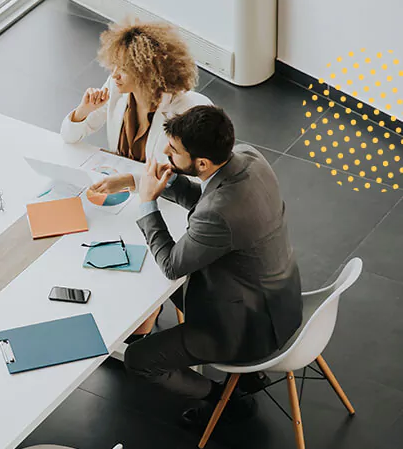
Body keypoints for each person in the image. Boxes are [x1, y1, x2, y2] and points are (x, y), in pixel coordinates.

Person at [124, 105, 303, 426]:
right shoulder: (249, 157)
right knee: (164, 289)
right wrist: (163, 183)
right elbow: (208, 198)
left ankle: (224, 399)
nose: (166, 150)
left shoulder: (219, 213)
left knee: (139, 359)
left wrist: (147, 203)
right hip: (280, 300)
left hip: (246, 330)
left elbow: (170, 264)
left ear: (202, 163)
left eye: (174, 150)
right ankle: (242, 382)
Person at [62, 21, 211, 193]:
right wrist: (84, 110)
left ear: (147, 73)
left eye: (124, 68)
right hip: (120, 191)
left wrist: (131, 181)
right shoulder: (116, 88)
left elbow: (187, 181)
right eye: (114, 64)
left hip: (159, 198)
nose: (114, 74)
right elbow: (69, 136)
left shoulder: (188, 111)